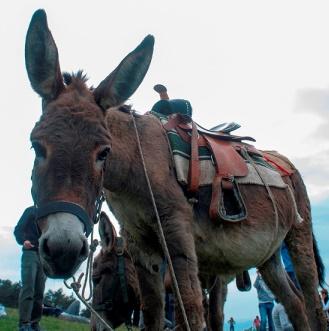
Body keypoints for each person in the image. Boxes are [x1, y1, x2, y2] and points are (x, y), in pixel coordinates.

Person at [14, 206, 47, 331]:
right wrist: (24, 240)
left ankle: (35, 323)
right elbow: (18, 230)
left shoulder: (49, 211)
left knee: (40, 291)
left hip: (44, 256)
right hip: (30, 253)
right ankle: (24, 324)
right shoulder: (30, 211)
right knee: (28, 288)